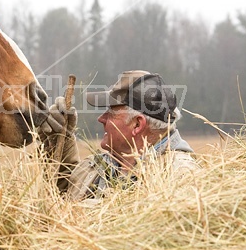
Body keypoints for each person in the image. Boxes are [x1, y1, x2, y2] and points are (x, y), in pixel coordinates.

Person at [39, 70, 197, 200]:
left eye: (111, 113)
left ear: (137, 124)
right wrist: (59, 140)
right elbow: (63, 196)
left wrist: (89, 209)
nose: (101, 119)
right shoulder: (99, 166)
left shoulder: (181, 177)